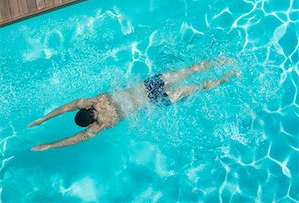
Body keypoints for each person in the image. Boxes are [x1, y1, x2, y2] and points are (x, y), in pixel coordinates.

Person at [28, 58, 239, 150]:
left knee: (199, 87)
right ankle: (220, 62)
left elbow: (75, 140)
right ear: (85, 109)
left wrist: (50, 145)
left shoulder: (101, 125)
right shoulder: (95, 100)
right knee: (191, 70)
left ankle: (226, 77)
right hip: (150, 85)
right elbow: (66, 107)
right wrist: (44, 118)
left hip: (155, 100)